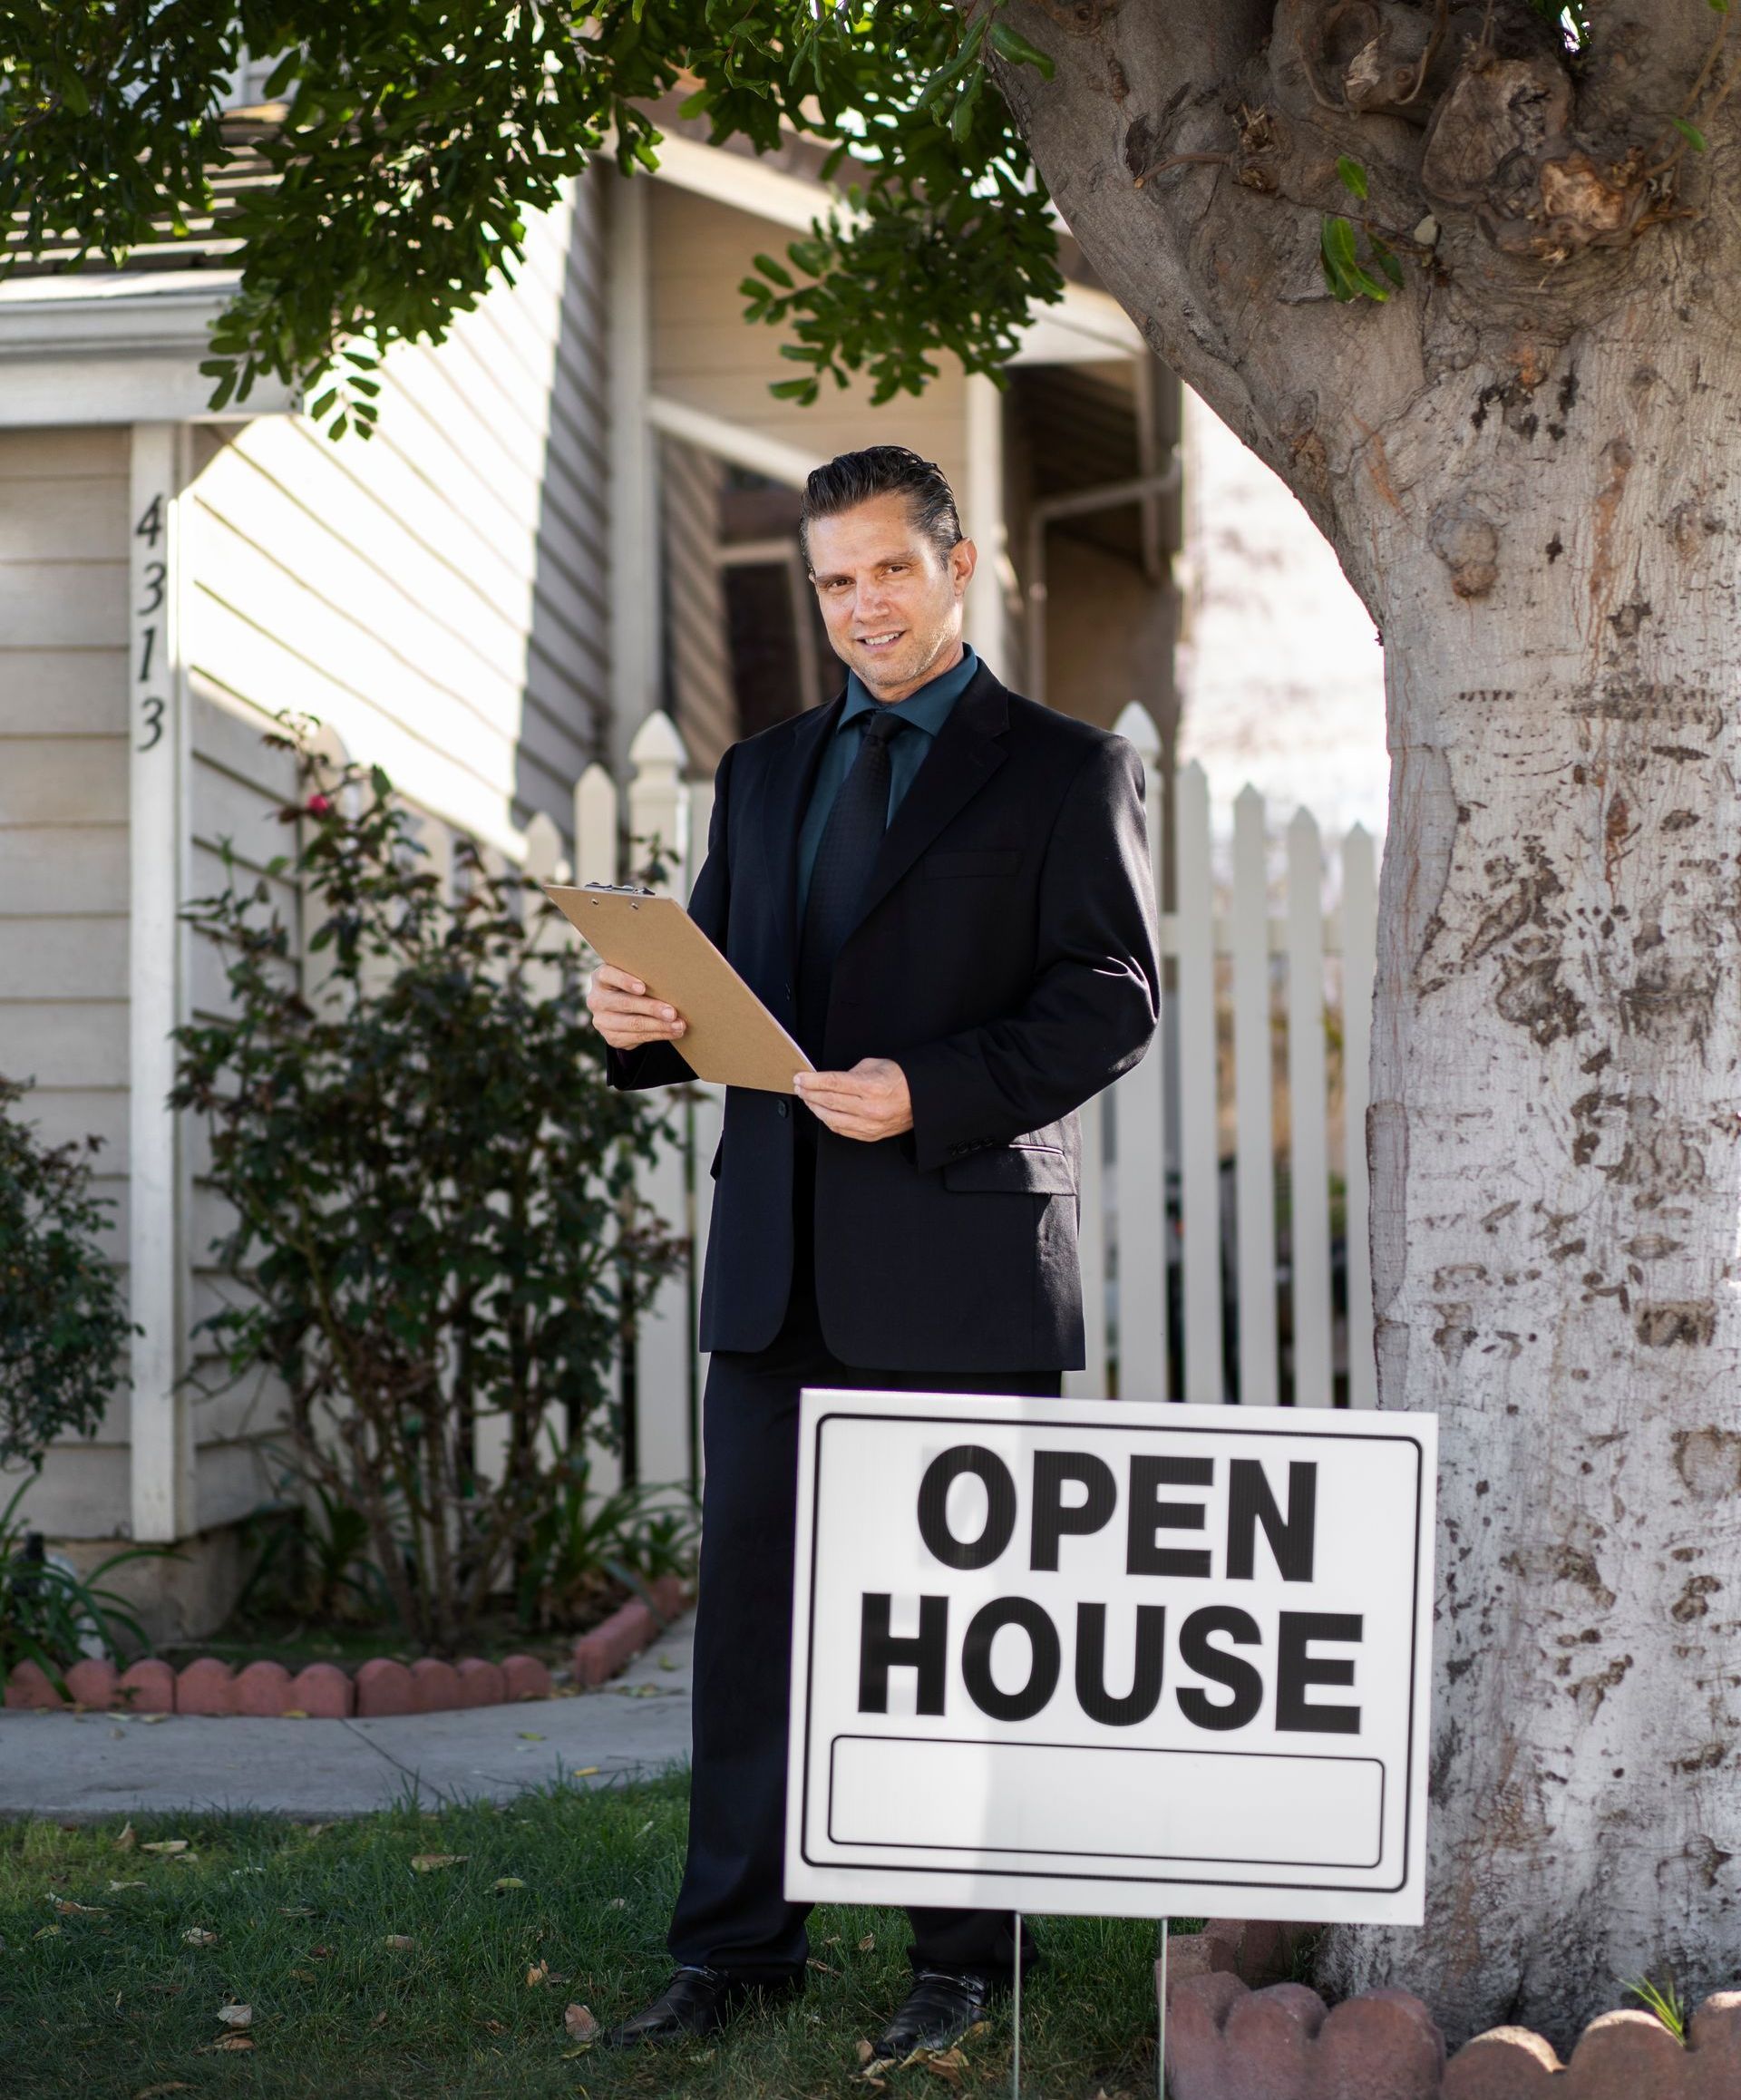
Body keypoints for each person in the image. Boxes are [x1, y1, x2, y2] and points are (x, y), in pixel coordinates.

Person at [589, 444, 1160, 2067]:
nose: (859, 610)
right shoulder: (763, 772)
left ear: (959, 565)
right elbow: (714, 980)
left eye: (886, 573)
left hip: (964, 1269)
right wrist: (635, 1018)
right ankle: (732, 1953)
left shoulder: (1064, 769)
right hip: (778, 1273)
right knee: (756, 1632)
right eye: (832, 582)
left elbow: (1113, 998)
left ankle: (966, 1961)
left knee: (963, 1632)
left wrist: (931, 1090)